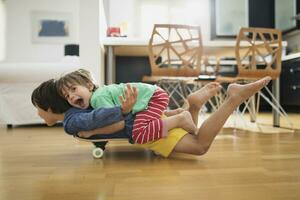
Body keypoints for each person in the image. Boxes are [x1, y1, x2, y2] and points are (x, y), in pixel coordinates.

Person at [32, 75, 271, 157]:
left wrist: (93, 131)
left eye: (39, 108)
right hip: (146, 116)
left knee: (199, 145)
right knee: (189, 132)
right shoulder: (81, 108)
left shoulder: (73, 120)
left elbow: (113, 121)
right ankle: (193, 106)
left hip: (145, 129)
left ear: (50, 108)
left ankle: (233, 98)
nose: (37, 113)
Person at [56, 69, 210, 144]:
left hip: (153, 98)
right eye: (66, 96)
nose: (70, 96)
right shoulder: (98, 95)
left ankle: (180, 119)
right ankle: (174, 113)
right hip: (153, 95)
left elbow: (117, 124)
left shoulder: (98, 98)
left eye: (73, 89)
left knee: (139, 134)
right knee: (143, 122)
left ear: (89, 86)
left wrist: (92, 132)